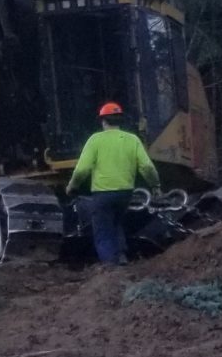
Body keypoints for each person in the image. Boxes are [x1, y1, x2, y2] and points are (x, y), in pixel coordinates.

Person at [67, 101, 159, 265]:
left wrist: (72, 186)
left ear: (103, 121)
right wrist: (155, 185)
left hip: (103, 194)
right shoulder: (132, 139)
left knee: (103, 230)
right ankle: (121, 255)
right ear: (120, 120)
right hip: (125, 194)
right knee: (116, 222)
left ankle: (111, 267)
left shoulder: (95, 140)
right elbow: (146, 166)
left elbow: (82, 170)